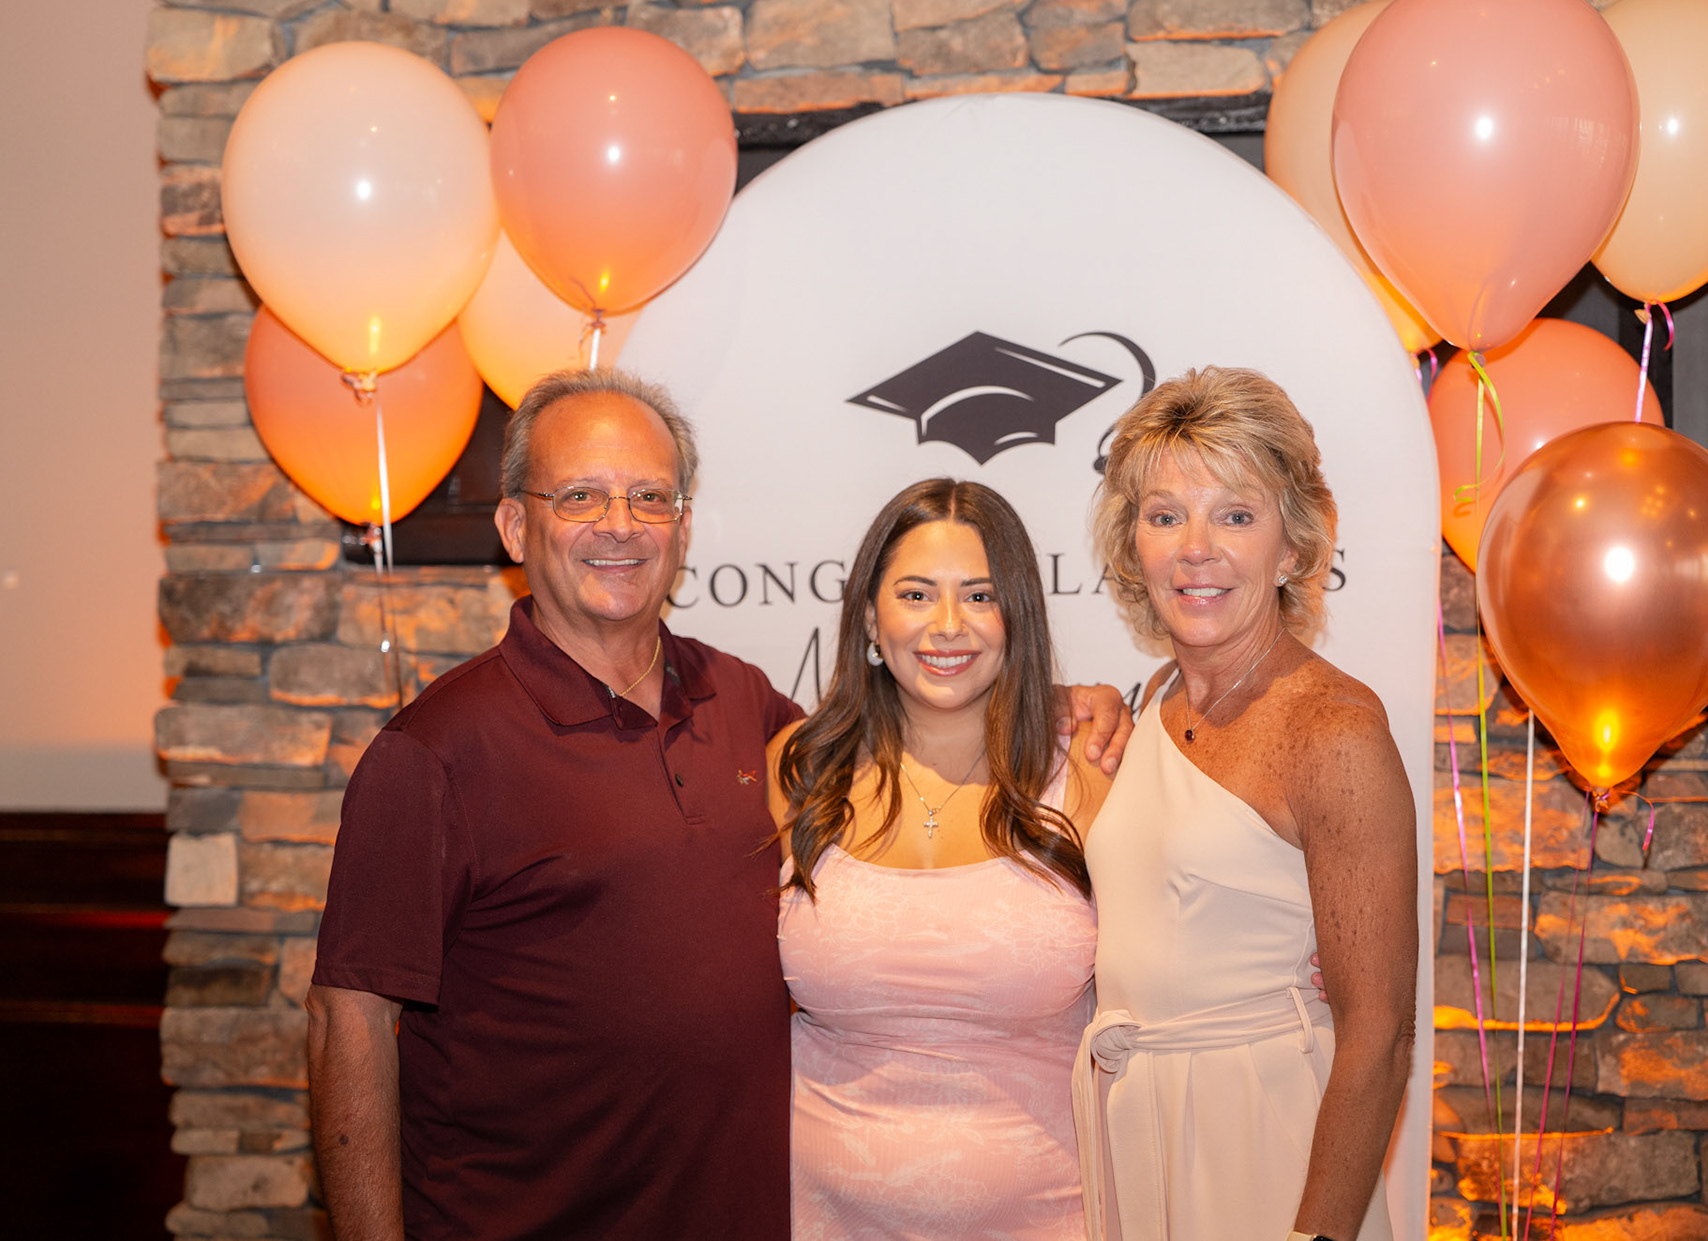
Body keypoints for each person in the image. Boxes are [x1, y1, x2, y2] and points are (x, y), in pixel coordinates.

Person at [306, 370, 1133, 1241]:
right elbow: (345, 1020)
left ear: (684, 525)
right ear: (515, 525)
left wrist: (1057, 702)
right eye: (581, 495)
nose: (619, 524)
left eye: (649, 497)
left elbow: (913, 720)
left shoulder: (745, 708)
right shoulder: (436, 750)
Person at [1075, 366, 1417, 1241]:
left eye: (1235, 515)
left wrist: (1317, 1235)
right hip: (1143, 1133)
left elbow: (1380, 1034)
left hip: (1272, 1141)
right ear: (1133, 546)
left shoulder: (1334, 729)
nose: (1196, 548)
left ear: (1293, 547)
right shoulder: (1151, 703)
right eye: (1165, 516)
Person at [771, 479, 1111, 1241]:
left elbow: (1171, 967)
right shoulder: (797, 769)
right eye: (916, 594)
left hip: (1053, 1216)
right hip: (823, 1217)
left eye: (980, 595)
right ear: (870, 616)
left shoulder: (1090, 771)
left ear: (1017, 615)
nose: (948, 624)